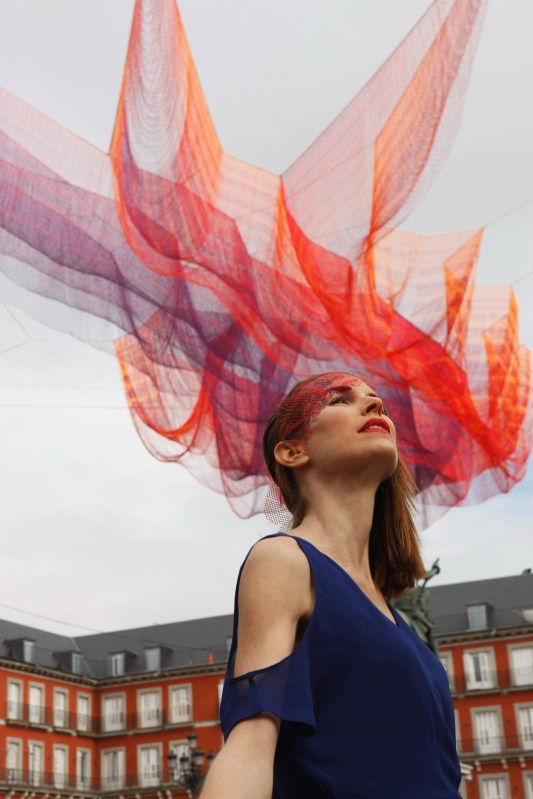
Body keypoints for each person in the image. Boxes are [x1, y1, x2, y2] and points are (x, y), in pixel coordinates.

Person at [200, 372, 461, 799]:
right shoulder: (284, 560)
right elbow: (249, 747)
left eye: (378, 401)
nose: (375, 405)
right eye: (340, 400)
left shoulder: (394, 616)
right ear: (292, 450)